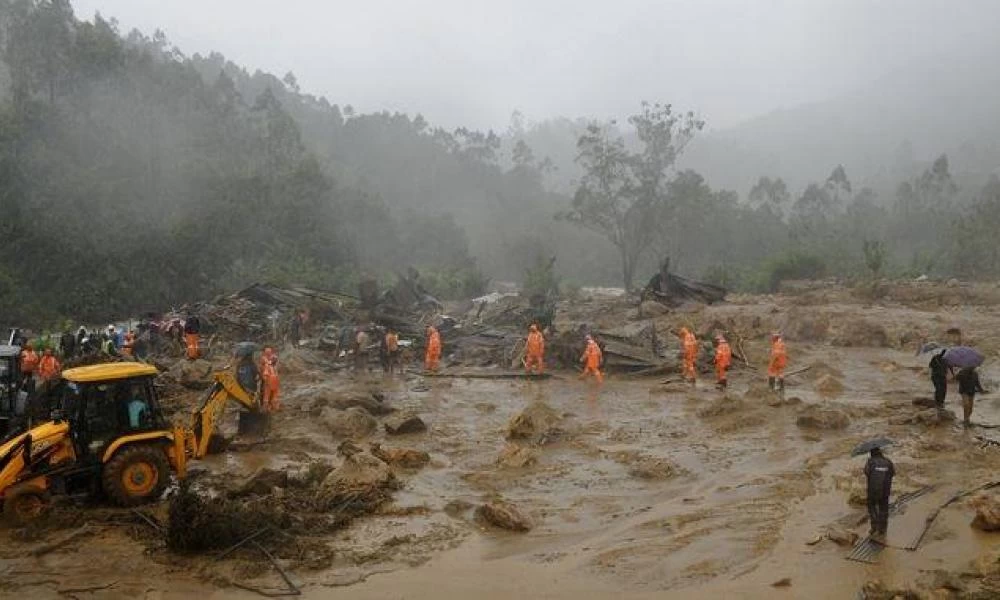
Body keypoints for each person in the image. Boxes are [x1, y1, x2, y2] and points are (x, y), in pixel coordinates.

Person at [864, 447, 895, 544]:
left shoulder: (870, 462)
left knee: (872, 507)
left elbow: (866, 472)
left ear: (872, 454)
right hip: (885, 490)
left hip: (873, 490)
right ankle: (882, 529)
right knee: (884, 508)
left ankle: (874, 527)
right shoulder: (888, 461)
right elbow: (893, 473)